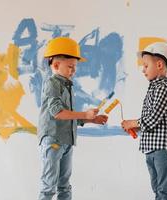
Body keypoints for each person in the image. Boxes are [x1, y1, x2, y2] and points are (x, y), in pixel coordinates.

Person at [38, 37, 108, 200]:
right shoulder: (52, 83)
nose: (74, 71)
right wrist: (85, 114)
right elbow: (57, 112)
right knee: (49, 186)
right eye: (70, 66)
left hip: (67, 141)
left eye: (75, 67)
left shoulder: (67, 85)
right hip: (53, 140)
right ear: (55, 65)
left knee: (64, 185)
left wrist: (91, 120)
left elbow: (69, 116)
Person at [121, 42, 167, 200]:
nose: (143, 69)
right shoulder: (155, 87)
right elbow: (153, 121)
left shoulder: (163, 87)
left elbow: (152, 118)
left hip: (162, 148)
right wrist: (138, 128)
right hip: (153, 147)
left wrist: (132, 123)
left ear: (160, 64)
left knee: (164, 190)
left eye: (146, 65)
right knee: (158, 189)